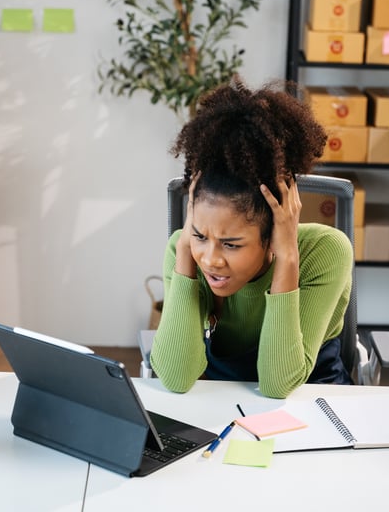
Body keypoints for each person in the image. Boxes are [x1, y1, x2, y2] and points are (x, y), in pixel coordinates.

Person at [149, 78, 353, 399]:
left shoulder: (326, 251)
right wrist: (188, 245)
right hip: (224, 406)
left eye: (231, 244)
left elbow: (276, 385)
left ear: (272, 231)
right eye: (201, 235)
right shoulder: (184, 249)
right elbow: (176, 377)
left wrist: (287, 258)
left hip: (313, 404)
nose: (212, 259)